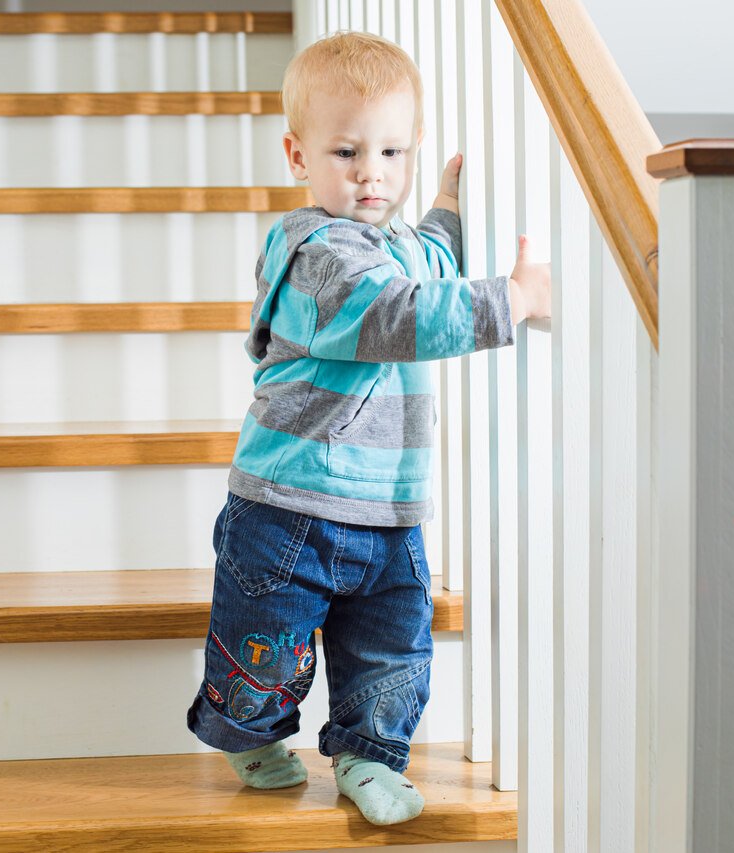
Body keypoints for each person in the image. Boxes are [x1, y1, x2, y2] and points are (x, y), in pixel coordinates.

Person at [185, 30, 552, 826]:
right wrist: (513, 300)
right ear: (298, 155)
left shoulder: (388, 242)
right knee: (268, 643)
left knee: (391, 649)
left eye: (392, 153)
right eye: (347, 152)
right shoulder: (317, 253)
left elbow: (427, 259)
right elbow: (400, 313)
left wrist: (448, 206)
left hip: (387, 509)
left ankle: (367, 752)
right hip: (288, 509)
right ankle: (249, 732)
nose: (371, 174)